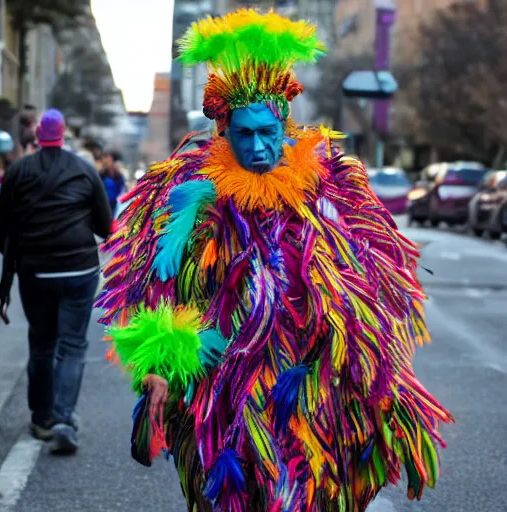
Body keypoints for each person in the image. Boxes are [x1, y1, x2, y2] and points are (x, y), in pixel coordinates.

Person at [97, 10, 453, 511]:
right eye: (245, 134)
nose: (259, 146)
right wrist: (159, 362)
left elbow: (375, 276)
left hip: (310, 383)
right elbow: (155, 284)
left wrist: (369, 362)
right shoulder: (187, 193)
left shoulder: (332, 185)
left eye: (268, 131)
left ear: (284, 123)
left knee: (310, 494)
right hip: (225, 385)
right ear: (224, 131)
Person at [0, 109, 113, 454]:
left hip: (36, 271)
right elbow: (106, 228)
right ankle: (63, 419)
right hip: (79, 270)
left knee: (42, 343)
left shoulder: (18, 171)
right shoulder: (84, 170)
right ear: (62, 135)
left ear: (37, 137)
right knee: (72, 346)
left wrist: (13, 260)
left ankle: (41, 418)